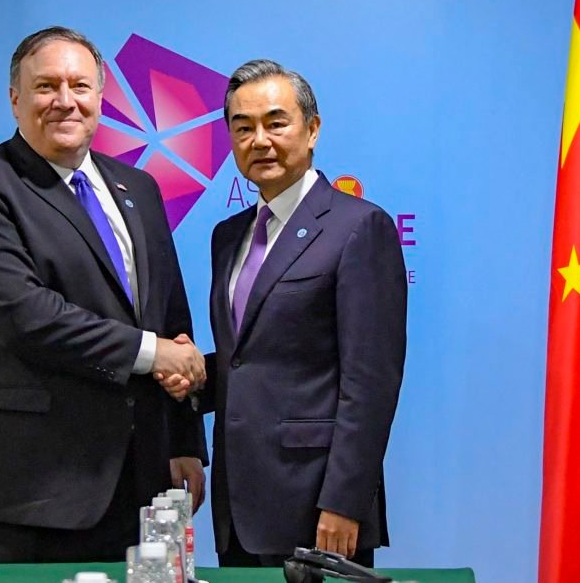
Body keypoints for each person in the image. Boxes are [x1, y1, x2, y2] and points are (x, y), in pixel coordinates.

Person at [0, 26, 207, 563]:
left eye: (80, 86)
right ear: (15, 98)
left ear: (100, 98)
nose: (65, 101)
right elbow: (23, 317)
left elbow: (170, 316)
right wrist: (154, 354)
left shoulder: (140, 188)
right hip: (29, 494)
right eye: (46, 87)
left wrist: (183, 442)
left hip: (140, 486)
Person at [171, 59, 406, 567]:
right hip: (239, 505)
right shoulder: (227, 237)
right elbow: (252, 360)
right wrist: (191, 376)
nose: (260, 140)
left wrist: (345, 502)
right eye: (243, 127)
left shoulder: (359, 227)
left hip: (319, 506)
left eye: (276, 123)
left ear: (312, 129)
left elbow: (371, 382)